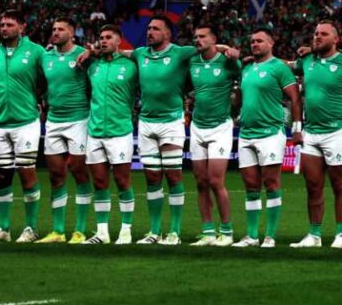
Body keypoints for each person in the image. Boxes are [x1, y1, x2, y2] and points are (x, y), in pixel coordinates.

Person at [293, 20, 342, 249]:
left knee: (339, 185)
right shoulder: (307, 61)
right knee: (313, 186)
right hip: (311, 132)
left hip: (336, 131)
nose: (317, 37)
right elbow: (285, 65)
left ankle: (341, 235)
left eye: (323, 34)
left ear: (336, 39)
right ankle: (314, 235)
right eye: (315, 34)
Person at [0, 11, 46, 243]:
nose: (4, 28)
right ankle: (3, 229)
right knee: (1, 176)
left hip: (26, 121)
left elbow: (47, 79)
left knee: (27, 173)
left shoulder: (37, 51)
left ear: (22, 27)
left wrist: (35, 98)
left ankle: (31, 228)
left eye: (9, 24)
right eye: (1, 24)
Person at [233, 27, 298, 248]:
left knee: (271, 183)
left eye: (260, 41)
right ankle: (251, 235)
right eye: (252, 41)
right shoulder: (247, 68)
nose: (255, 44)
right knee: (251, 185)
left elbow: (294, 98)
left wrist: (297, 126)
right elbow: (240, 98)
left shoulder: (279, 67)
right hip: (246, 133)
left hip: (270, 133)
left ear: (271, 44)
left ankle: (270, 235)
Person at [135, 17, 196, 245]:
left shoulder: (181, 53)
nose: (150, 32)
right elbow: (121, 53)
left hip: (171, 121)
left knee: (173, 175)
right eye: (149, 28)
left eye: (155, 29)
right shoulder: (141, 53)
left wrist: (226, 50)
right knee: (152, 178)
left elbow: (207, 47)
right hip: (146, 122)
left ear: (168, 34)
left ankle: (175, 231)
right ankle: (154, 231)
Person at [38, 18, 93, 244]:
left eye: (61, 29)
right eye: (54, 29)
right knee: (56, 176)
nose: (56, 32)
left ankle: (79, 230)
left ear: (72, 32)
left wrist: (91, 51)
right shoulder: (46, 57)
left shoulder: (83, 55)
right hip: (53, 121)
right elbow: (41, 84)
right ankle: (58, 231)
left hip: (79, 120)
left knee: (79, 172)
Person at [84, 25, 138, 245]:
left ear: (119, 41)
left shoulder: (131, 66)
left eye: (108, 37)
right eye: (101, 37)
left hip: (120, 131)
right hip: (95, 131)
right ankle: (102, 232)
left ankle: (126, 230)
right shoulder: (92, 66)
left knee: (122, 180)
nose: (103, 41)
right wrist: (89, 53)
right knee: (99, 182)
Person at [187, 24, 241, 246]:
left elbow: (244, 83)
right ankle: (208, 232)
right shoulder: (192, 61)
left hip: (220, 127)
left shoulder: (228, 62)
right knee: (200, 182)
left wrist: (230, 50)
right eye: (195, 37)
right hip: (198, 126)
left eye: (202, 36)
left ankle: (226, 232)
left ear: (213, 39)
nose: (197, 40)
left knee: (216, 181)